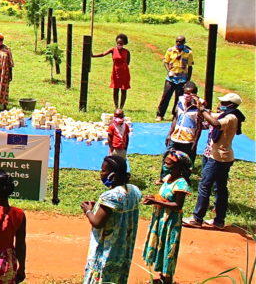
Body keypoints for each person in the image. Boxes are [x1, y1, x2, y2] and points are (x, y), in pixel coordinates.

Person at [184, 93, 245, 230]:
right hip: (212, 154)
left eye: (223, 103)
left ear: (230, 105)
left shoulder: (231, 117)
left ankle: (197, 218)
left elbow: (215, 123)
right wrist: (200, 104)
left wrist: (202, 110)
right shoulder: (225, 115)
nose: (220, 105)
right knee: (220, 188)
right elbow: (210, 117)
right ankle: (219, 221)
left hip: (218, 158)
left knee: (205, 185)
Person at [81, 155, 141, 284]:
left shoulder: (111, 196)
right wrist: (98, 206)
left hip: (107, 250)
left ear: (112, 176)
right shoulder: (134, 190)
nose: (101, 173)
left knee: (102, 277)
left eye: (103, 170)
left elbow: (97, 222)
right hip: (124, 248)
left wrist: (88, 210)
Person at [143, 150, 192, 284]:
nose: (165, 166)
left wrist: (156, 202)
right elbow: (164, 197)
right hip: (161, 219)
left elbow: (177, 205)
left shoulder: (181, 184)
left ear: (179, 168)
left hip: (171, 222)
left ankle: (168, 280)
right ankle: (163, 278)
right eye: (165, 162)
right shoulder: (167, 178)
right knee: (161, 245)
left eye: (168, 164)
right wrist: (153, 198)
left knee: (169, 248)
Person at [158, 82, 202, 182]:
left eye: (190, 94)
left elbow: (199, 126)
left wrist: (195, 142)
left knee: (186, 162)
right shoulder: (180, 102)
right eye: (185, 93)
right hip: (175, 137)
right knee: (168, 157)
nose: (187, 95)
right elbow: (176, 118)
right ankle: (163, 178)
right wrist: (170, 134)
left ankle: (185, 180)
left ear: (195, 95)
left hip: (187, 140)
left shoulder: (198, 108)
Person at [156, 35, 193, 121]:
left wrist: (188, 80)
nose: (178, 43)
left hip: (182, 78)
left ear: (184, 43)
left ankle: (175, 114)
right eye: (177, 41)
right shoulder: (170, 51)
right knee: (165, 96)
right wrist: (168, 70)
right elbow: (165, 62)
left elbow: (190, 66)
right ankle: (160, 114)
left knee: (179, 98)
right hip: (171, 77)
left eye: (180, 42)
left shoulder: (188, 53)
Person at [92, 33, 131, 109]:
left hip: (124, 73)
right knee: (115, 89)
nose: (119, 44)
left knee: (123, 90)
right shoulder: (113, 50)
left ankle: (121, 107)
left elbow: (128, 62)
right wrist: (93, 56)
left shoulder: (127, 52)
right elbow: (103, 54)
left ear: (124, 43)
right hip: (115, 73)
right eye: (118, 43)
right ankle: (116, 107)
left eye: (121, 43)